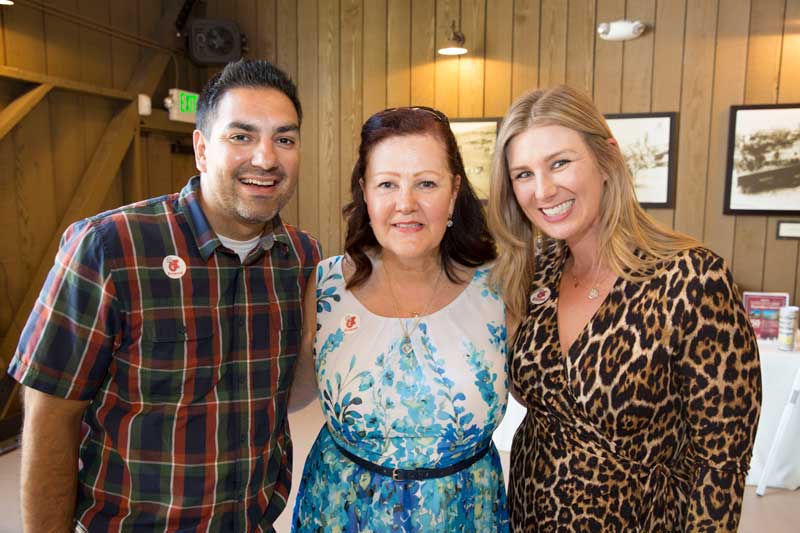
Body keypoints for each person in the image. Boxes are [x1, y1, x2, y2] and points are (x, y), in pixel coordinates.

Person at [8, 59, 321, 532]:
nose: (266, 158)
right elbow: (50, 413)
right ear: (201, 149)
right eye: (241, 136)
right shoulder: (110, 246)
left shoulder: (301, 260)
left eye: (285, 138)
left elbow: (288, 395)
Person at [488, 85, 761, 531]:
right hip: (530, 515)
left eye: (560, 163)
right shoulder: (537, 272)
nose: (543, 190)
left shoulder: (692, 279)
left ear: (607, 159)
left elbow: (721, 464)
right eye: (523, 174)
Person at [291, 106, 509, 531]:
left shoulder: (499, 286)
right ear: (365, 193)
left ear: (454, 191)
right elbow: (291, 392)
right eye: (387, 184)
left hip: (462, 515)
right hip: (342, 512)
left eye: (426, 183)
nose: (406, 204)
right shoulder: (327, 284)